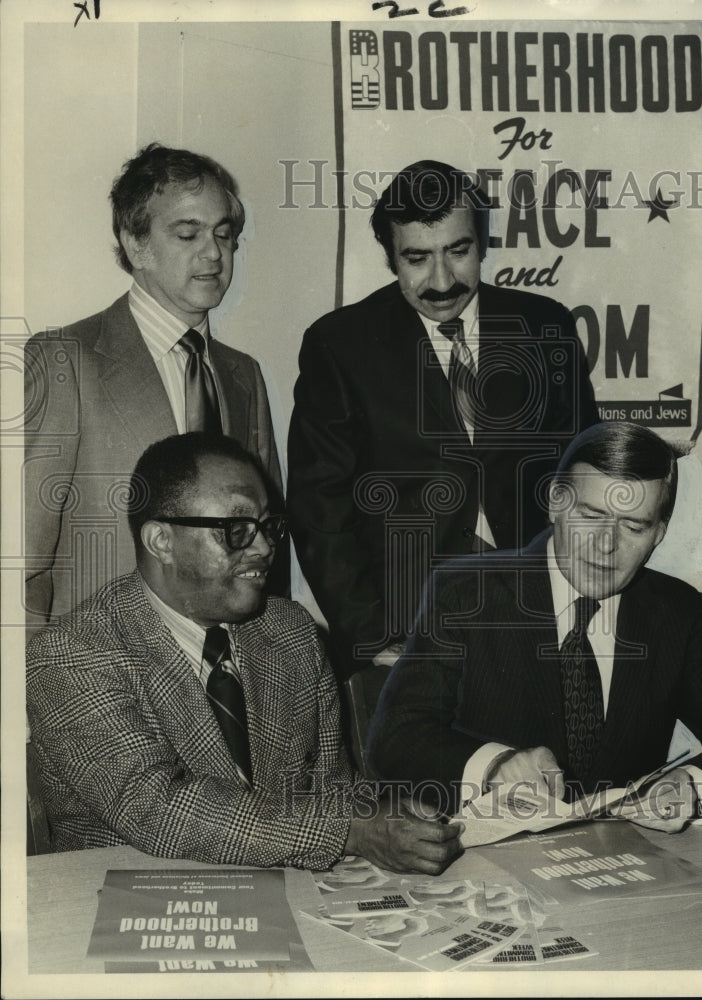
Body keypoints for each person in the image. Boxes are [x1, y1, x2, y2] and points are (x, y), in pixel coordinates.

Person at [26, 433, 463, 873]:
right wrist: (351, 829)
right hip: (126, 901)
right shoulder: (70, 654)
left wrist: (389, 818)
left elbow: (335, 791)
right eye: (236, 530)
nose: (265, 548)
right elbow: (156, 809)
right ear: (162, 541)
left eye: (268, 526)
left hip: (289, 893)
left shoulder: (292, 632)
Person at [366, 422, 702, 833]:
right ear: (556, 502)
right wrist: (494, 766)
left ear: (658, 535)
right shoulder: (468, 593)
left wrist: (692, 786)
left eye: (634, 527)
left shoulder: (678, 613)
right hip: (493, 864)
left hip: (625, 864)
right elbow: (395, 738)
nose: (606, 545)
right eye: (591, 515)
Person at [287, 160, 598, 680]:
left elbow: (583, 471)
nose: (442, 280)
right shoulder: (339, 345)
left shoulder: (547, 325)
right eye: (417, 258)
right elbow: (319, 505)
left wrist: (579, 600)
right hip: (407, 631)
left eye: (459, 251)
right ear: (391, 258)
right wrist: (371, 636)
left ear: (482, 244)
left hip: (537, 618)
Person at [24, 143, 284, 631]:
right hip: (97, 669)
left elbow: (263, 544)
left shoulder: (243, 375)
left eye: (224, 235)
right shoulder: (65, 359)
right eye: (188, 234)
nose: (213, 253)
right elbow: (20, 560)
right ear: (136, 244)